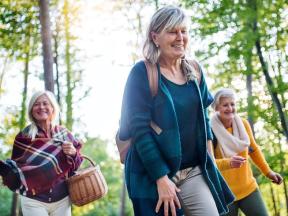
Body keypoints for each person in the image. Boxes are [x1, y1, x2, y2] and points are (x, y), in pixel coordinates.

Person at [119, 5, 234, 216]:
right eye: (172, 32)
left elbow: (204, 119)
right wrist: (161, 178)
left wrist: (210, 161)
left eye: (184, 31)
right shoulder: (141, 73)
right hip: (151, 174)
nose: (180, 37)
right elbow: (140, 131)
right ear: (155, 37)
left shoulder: (195, 71)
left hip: (193, 172)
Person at [0, 90, 83, 216]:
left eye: (45, 103)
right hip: (33, 200)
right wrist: (5, 170)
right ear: (31, 109)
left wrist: (73, 154)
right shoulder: (23, 137)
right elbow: (17, 170)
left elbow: (76, 166)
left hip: (62, 199)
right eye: (36, 104)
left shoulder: (64, 134)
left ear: (53, 108)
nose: (41, 107)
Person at [210, 88, 283, 216]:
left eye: (232, 104)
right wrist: (229, 163)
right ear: (216, 108)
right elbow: (209, 162)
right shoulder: (209, 130)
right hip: (225, 195)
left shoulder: (243, 124)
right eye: (225, 105)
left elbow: (253, 150)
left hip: (248, 188)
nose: (230, 108)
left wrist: (268, 172)